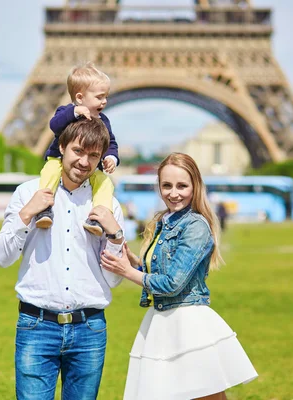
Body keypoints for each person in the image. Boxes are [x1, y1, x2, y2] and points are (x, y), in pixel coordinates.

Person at [101, 153, 257, 400]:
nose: (173, 193)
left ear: (195, 185)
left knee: (206, 395)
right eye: (167, 185)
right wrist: (136, 262)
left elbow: (173, 283)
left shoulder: (196, 225)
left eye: (182, 185)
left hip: (187, 321)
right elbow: (165, 270)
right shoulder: (164, 220)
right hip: (163, 320)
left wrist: (127, 272)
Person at [0, 118, 126, 400]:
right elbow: (2, 257)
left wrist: (115, 235)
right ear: (61, 147)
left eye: (93, 155)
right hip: (36, 326)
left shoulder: (108, 204)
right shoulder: (27, 193)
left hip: (89, 330)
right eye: (78, 151)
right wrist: (27, 213)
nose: (84, 162)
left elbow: (114, 279)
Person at [35, 61, 120, 237]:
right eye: (99, 97)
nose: (104, 101)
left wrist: (111, 157)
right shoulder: (66, 111)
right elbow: (54, 125)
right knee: (50, 172)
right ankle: (43, 209)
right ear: (80, 97)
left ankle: (98, 217)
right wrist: (75, 112)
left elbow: (111, 143)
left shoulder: (103, 120)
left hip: (93, 168)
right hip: (58, 160)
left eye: (106, 97)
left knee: (104, 182)